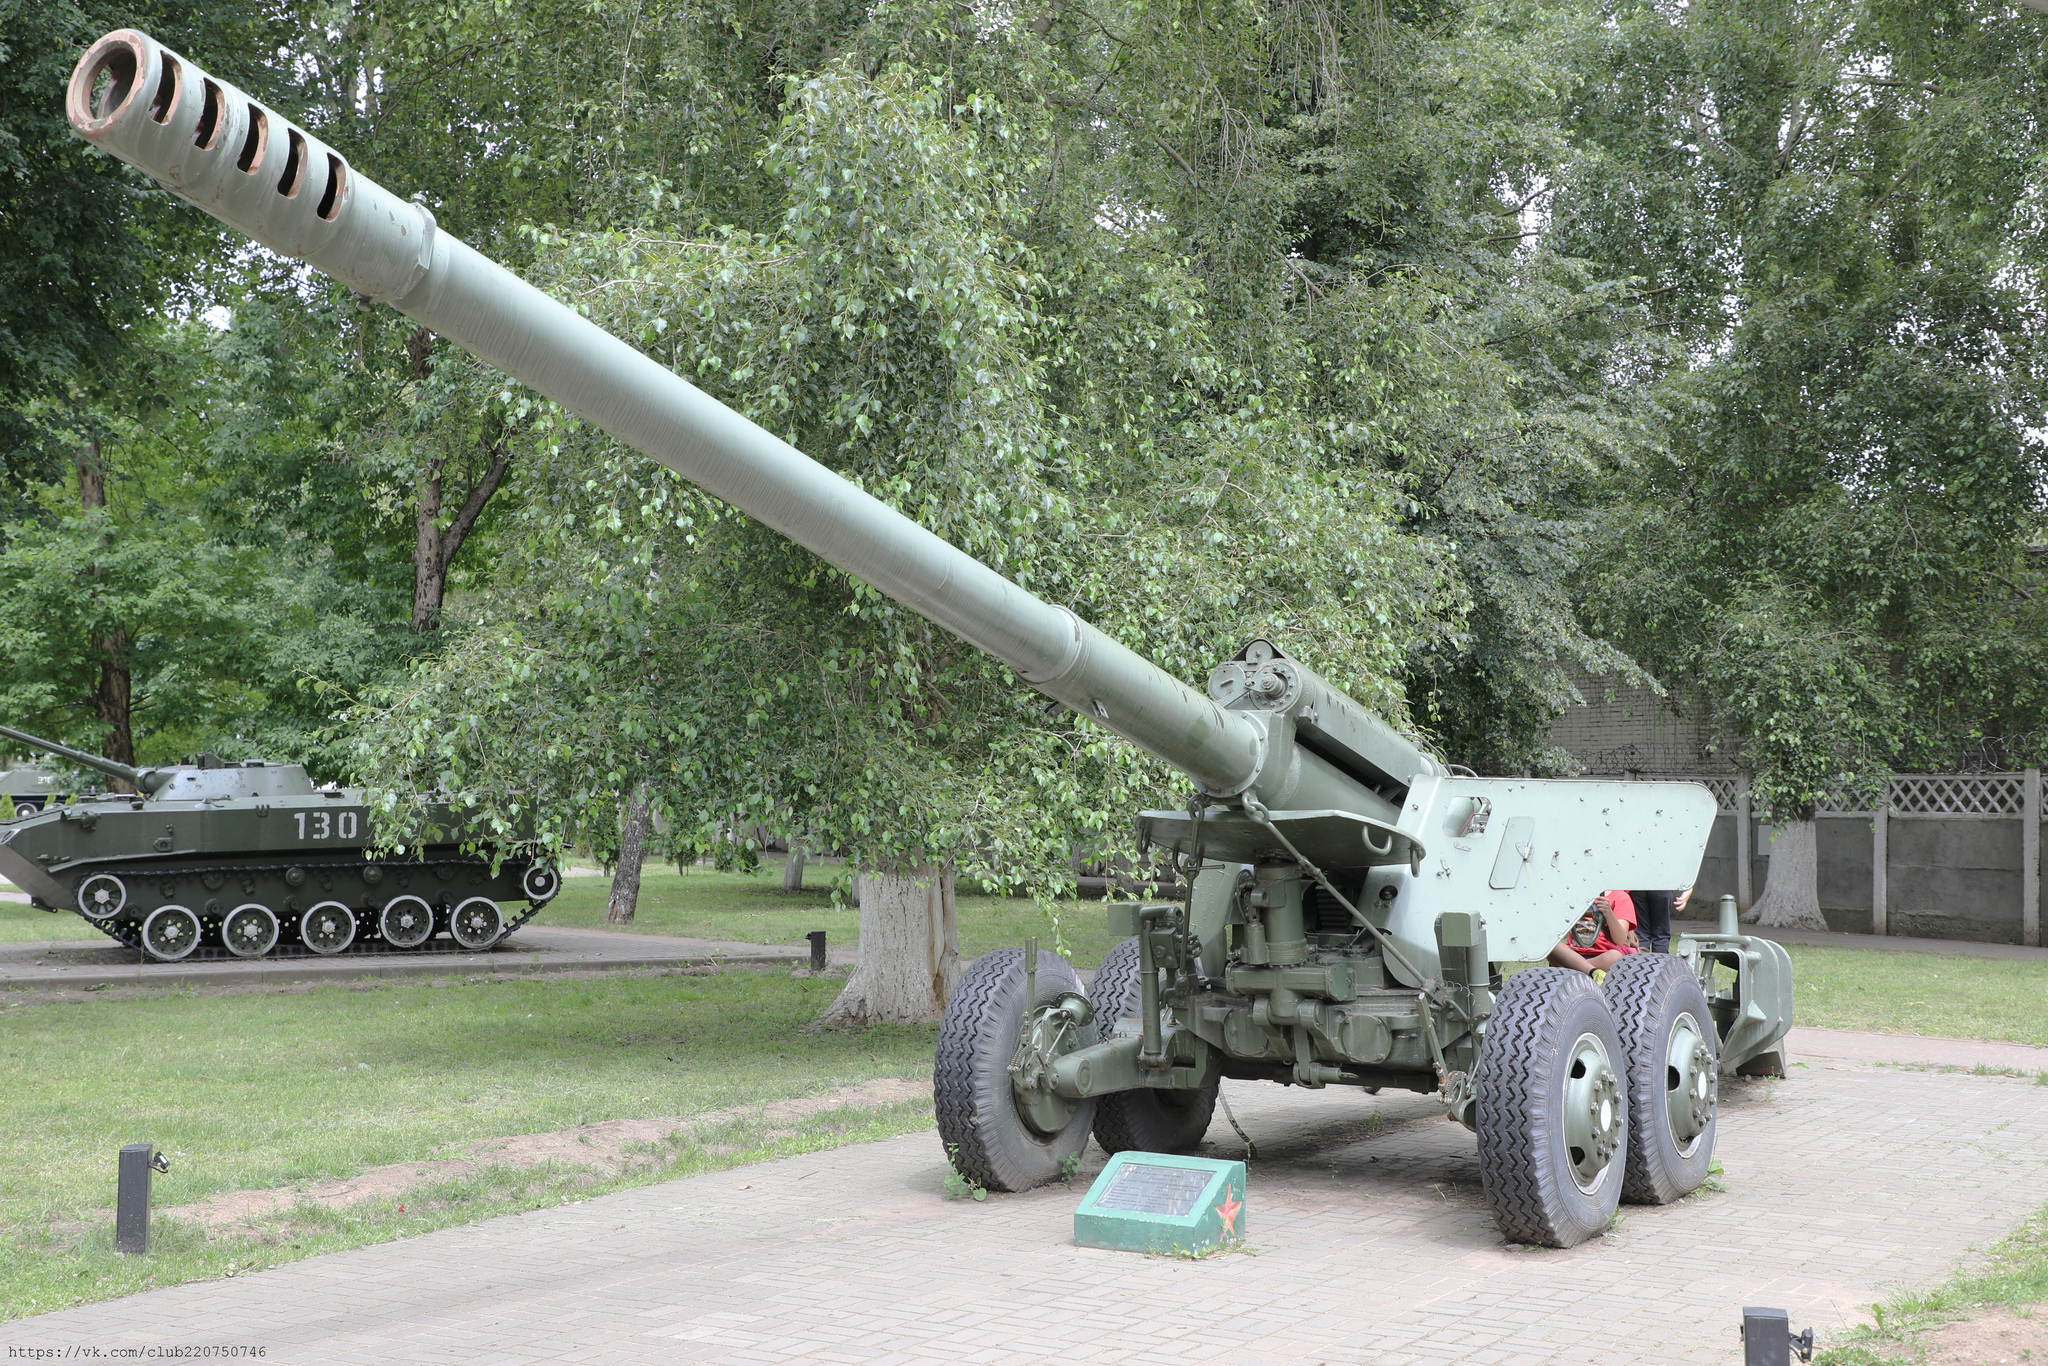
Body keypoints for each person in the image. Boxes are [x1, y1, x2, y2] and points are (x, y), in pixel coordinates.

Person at [1548, 890, 1639, 977]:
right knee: (1548, 943)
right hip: (1571, 954)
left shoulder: (1621, 897)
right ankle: (1592, 972)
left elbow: (1620, 939)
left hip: (1602, 956)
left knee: (1615, 957)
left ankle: (1572, 970)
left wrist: (1608, 913)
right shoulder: (1575, 894)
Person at [1625, 887, 1690, 954]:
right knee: (1660, 935)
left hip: (1637, 887)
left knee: (1640, 935)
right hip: (1662, 886)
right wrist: (1688, 889)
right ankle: (1661, 963)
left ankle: (1639, 963)